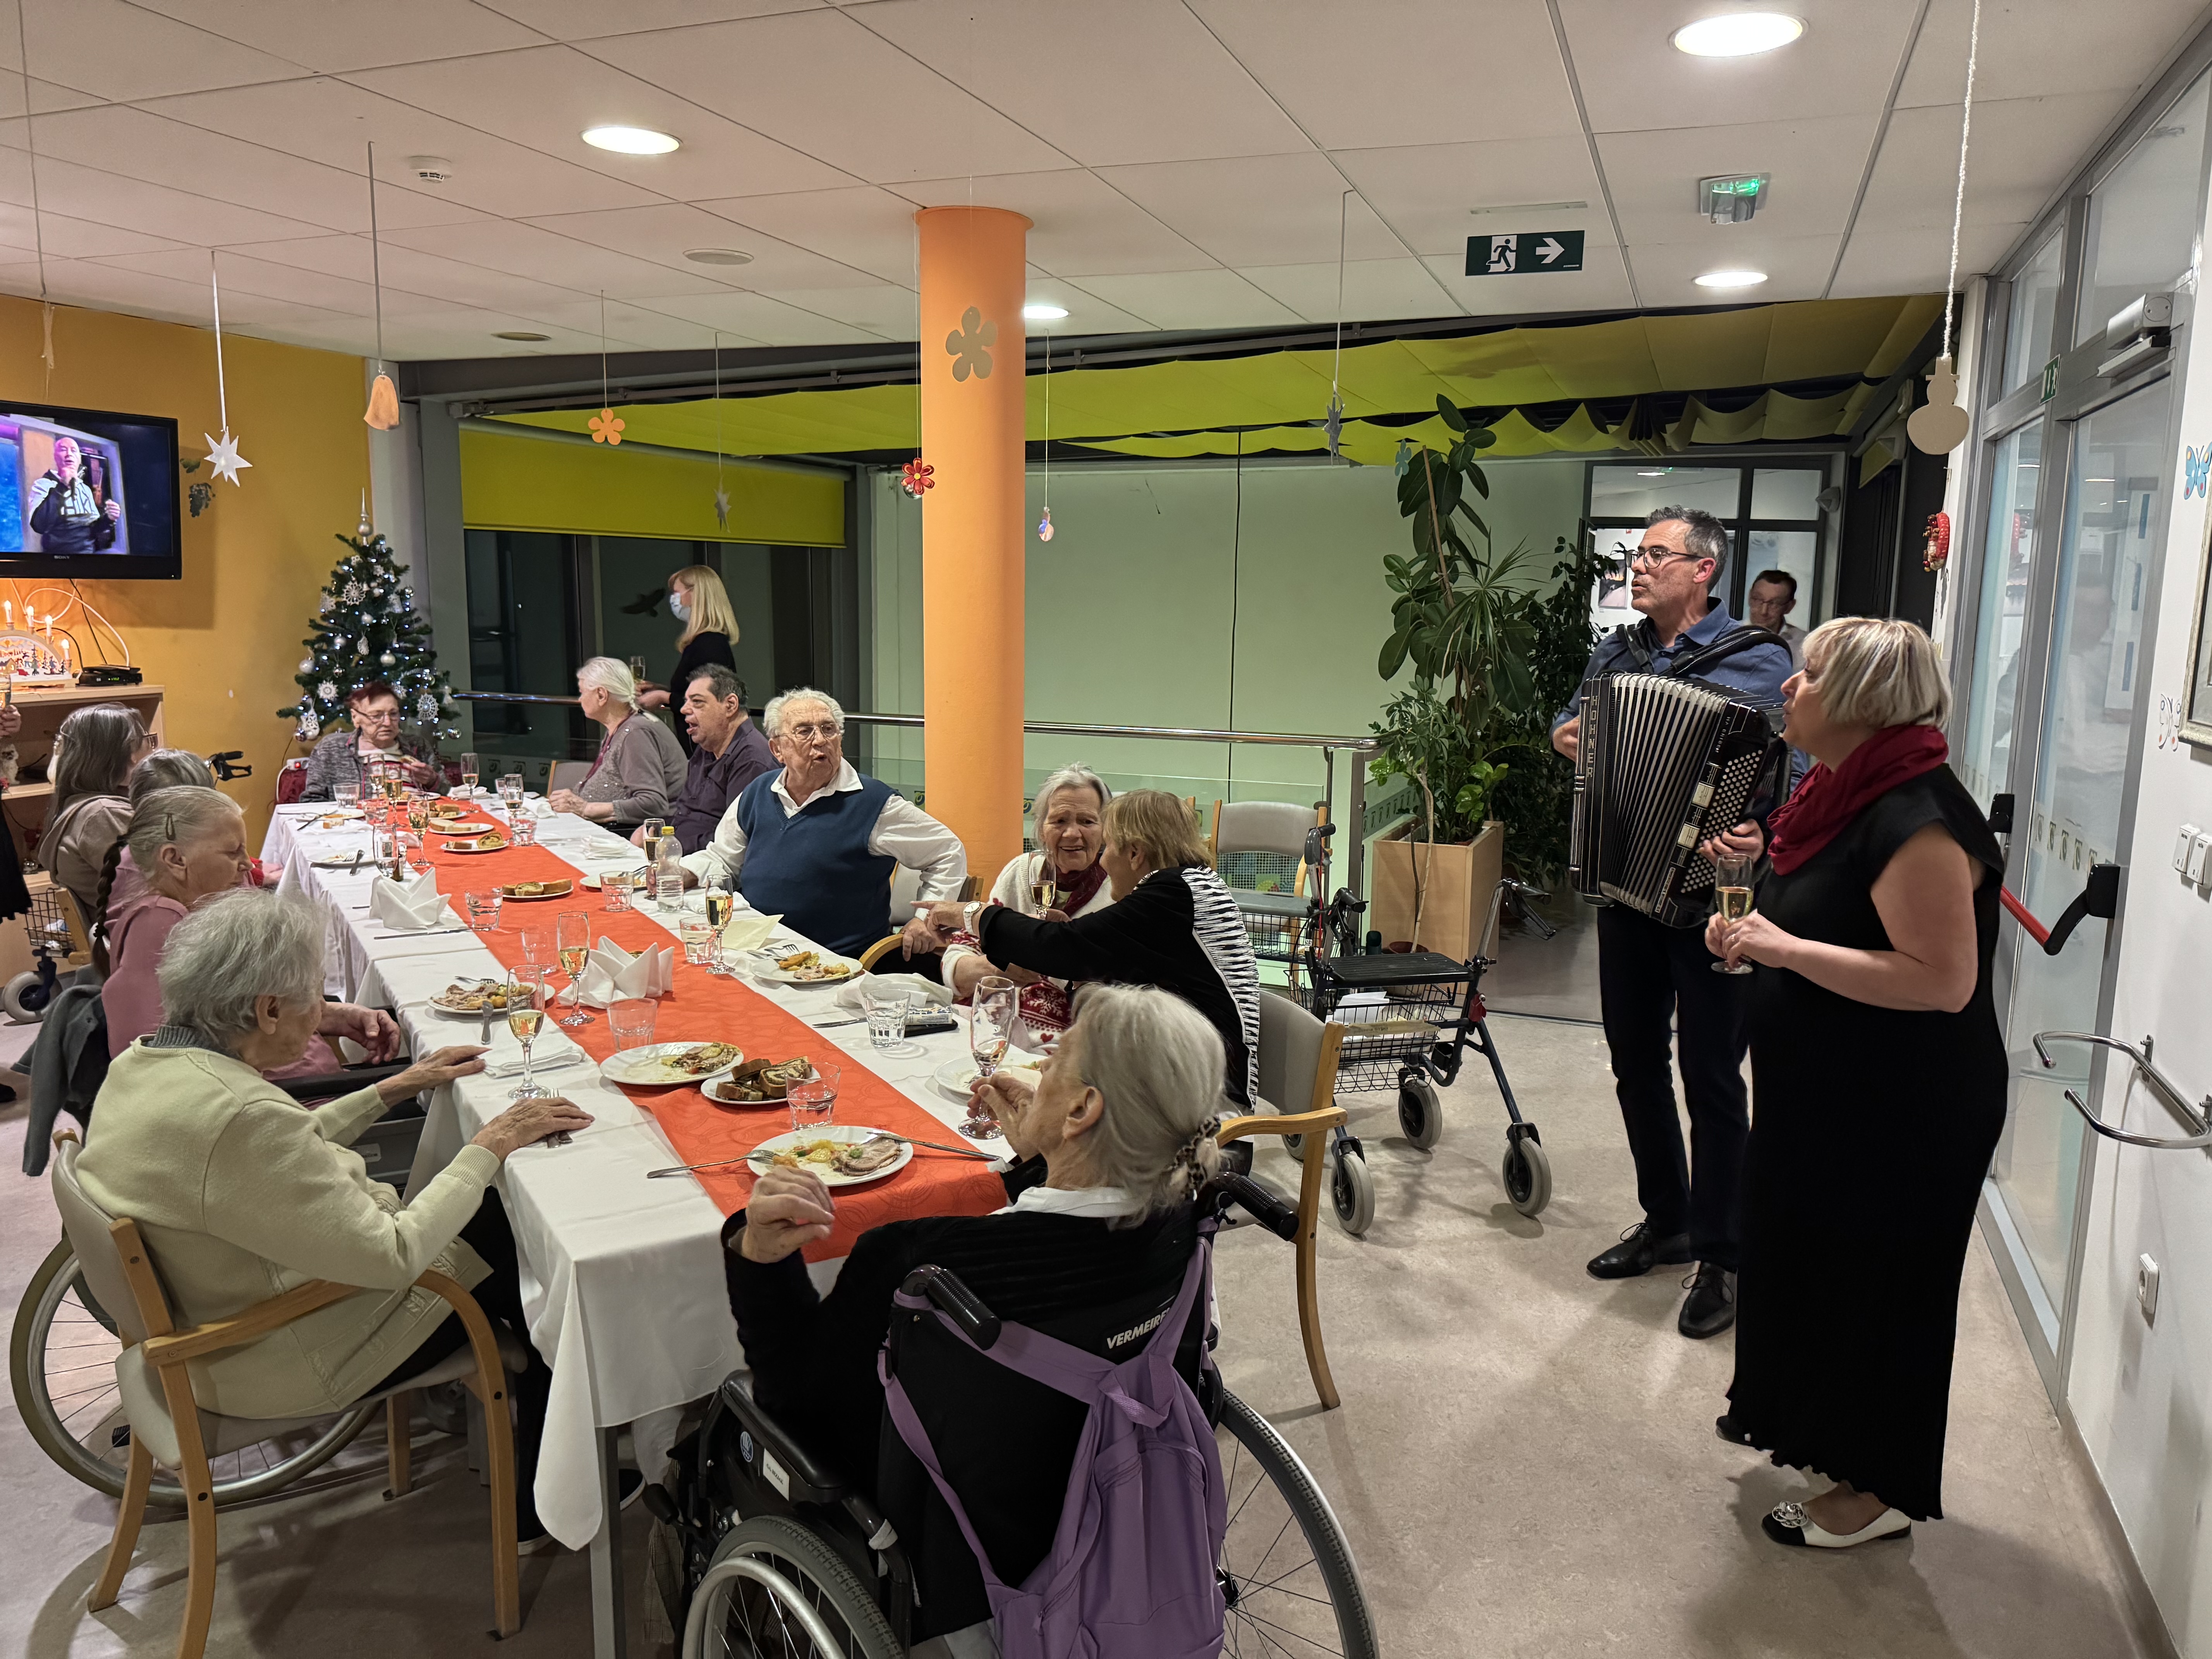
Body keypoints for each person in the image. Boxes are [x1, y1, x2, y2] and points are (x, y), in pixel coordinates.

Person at [73, 890, 596, 1550]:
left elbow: (274, 1156)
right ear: (268, 1010)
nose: (320, 1013)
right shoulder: (240, 1114)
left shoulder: (147, 1063)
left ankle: (542, 1455)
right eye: (313, 999)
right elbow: (395, 1254)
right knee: (528, 1244)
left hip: (203, 1326)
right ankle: (549, 1492)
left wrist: (391, 1088)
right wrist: (490, 1143)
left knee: (488, 1220)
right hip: (279, 1355)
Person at [725, 982, 1221, 1642]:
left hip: (963, 1556)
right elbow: (1077, 1245)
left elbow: (794, 1401)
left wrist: (757, 1256)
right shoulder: (1185, 1219)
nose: (1036, 1072)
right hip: (1115, 1478)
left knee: (722, 1429)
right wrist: (1043, 1160)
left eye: (1052, 1063)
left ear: (1082, 1109)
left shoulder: (920, 1262)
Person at [1707, 619, 2004, 1549]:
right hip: (1829, 1099)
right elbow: (1826, 918)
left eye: (1809, 676)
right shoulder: (1842, 792)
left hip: (1904, 1112)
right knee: (1812, 1273)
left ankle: (1876, 1492)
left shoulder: (1916, 817)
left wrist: (1783, 948)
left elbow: (1942, 982)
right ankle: (1822, 1438)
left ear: (1863, 700)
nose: (1788, 689)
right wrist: (1752, 929)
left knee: (1879, 1294)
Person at [1551, 505, 1794, 1339]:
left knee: (1713, 1076)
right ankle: (1668, 1221)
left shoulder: (1758, 658)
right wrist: (1569, 737)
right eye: (1637, 555)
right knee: (1634, 1061)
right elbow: (1564, 724)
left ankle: (1723, 1254)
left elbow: (1791, 769)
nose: (1639, 567)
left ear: (1703, 569)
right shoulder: (1615, 652)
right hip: (1627, 880)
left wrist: (1763, 828)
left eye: (1656, 555)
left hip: (1713, 895)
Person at [914, 788, 1259, 1108]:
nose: (1103, 861)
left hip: (1206, 1099)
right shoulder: (1192, 885)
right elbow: (1095, 961)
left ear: (1136, 853)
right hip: (1185, 1070)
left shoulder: (1172, 895)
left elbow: (1059, 949)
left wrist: (970, 913)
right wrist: (1072, 943)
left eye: (1109, 846)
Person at [96, 787, 397, 1073]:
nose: (247, 865)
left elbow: (244, 1014)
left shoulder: (205, 912)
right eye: (233, 852)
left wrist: (331, 1015)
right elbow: (159, 1061)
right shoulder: (160, 923)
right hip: (290, 1098)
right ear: (175, 859)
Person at [680, 687, 965, 957]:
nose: (820, 740)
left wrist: (924, 919)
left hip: (839, 965)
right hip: (755, 949)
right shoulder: (759, 792)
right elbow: (724, 858)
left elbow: (947, 852)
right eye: (804, 731)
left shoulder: (874, 804)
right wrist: (683, 873)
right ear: (777, 749)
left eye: (829, 729)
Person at [937, 765, 1117, 1038]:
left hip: (1070, 1042)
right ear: (1042, 829)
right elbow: (959, 958)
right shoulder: (1022, 872)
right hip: (986, 1027)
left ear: (1105, 830)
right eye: (1059, 821)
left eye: (1087, 821)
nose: (1072, 833)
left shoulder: (1118, 889)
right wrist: (998, 968)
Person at [641, 665, 775, 855]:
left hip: (707, 866)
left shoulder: (752, 760)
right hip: (678, 855)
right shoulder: (707, 747)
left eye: (697, 702)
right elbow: (686, 815)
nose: (684, 709)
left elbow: (736, 841)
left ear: (730, 705)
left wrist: (669, 845)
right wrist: (658, 831)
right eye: (686, 701)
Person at [547, 656, 687, 831]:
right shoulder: (622, 727)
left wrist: (586, 809)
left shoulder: (636, 733)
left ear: (601, 695)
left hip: (627, 836)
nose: (580, 700)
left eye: (582, 692)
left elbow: (653, 804)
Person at [42, 703, 151, 922]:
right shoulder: (104, 814)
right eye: (147, 741)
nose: (152, 750)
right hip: (138, 934)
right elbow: (157, 883)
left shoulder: (84, 807)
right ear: (129, 752)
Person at [636, 565, 740, 756]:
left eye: (677, 593)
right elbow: (691, 691)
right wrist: (661, 690)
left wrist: (663, 697)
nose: (673, 600)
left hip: (706, 750)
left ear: (696, 594)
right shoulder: (703, 643)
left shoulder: (710, 645)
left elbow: (709, 701)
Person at [299, 681, 441, 801]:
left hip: (416, 819)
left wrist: (432, 781)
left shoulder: (418, 746)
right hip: (358, 823)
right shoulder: (331, 749)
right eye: (376, 715)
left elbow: (448, 794)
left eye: (393, 714)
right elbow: (311, 801)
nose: (387, 723)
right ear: (355, 718)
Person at [28, 434, 122, 554]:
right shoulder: (43, 485)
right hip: (56, 558)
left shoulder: (85, 489)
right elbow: (39, 526)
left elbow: (93, 528)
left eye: (74, 451)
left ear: (79, 459)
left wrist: (109, 518)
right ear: (56, 456)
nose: (69, 454)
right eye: (63, 450)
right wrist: (63, 487)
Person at [1747, 568, 1807, 668]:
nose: (1764, 612)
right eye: (1758, 600)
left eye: (1774, 604)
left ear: (1789, 607)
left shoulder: (1804, 645)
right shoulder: (1728, 635)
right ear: (1749, 597)